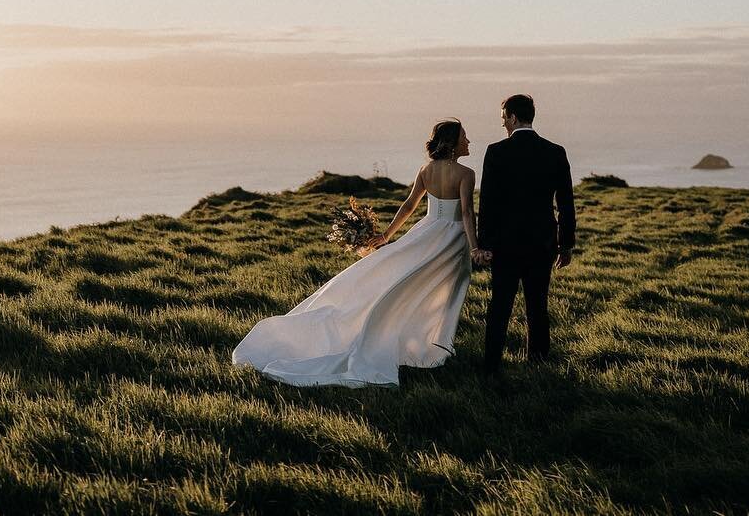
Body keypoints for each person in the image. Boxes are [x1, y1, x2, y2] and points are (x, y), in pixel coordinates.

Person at [231, 120, 479, 387]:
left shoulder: (426, 169)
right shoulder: (466, 173)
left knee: (416, 284)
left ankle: (427, 344)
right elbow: (465, 213)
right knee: (445, 289)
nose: (468, 141)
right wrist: (475, 246)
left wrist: (387, 236)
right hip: (451, 238)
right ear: (452, 144)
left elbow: (409, 205)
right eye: (464, 137)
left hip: (425, 231)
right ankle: (430, 348)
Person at [476, 93, 575, 368]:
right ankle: (538, 363)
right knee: (537, 306)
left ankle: (491, 365)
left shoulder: (496, 152)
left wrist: (484, 243)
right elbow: (566, 203)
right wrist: (565, 244)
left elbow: (488, 203)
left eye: (503, 119)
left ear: (513, 116)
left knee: (500, 306)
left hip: (505, 243)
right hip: (542, 242)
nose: (503, 125)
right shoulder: (555, 152)